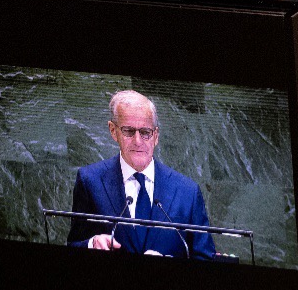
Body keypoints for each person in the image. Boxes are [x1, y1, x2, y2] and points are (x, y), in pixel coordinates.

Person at [67, 89, 216, 260]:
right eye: (129, 131)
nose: (138, 141)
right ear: (113, 131)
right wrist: (91, 243)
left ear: (156, 136)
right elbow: (73, 244)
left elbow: (205, 257)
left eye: (145, 132)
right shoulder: (90, 181)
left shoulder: (188, 192)